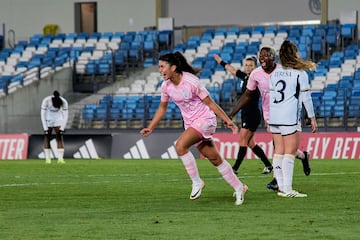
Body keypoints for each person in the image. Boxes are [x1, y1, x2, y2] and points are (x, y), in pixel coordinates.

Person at [140, 52, 248, 205]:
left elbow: (210, 103)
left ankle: (197, 182)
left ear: (173, 67)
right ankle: (239, 187)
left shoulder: (191, 81)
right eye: (159, 67)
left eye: (162, 67)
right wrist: (151, 127)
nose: (160, 70)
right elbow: (162, 108)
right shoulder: (166, 86)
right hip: (191, 124)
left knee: (180, 145)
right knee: (215, 159)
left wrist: (227, 120)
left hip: (205, 120)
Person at [228, 46, 311, 191]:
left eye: (265, 55)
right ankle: (302, 157)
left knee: (280, 148)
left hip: (287, 112)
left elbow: (298, 91)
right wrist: (232, 113)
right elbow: (247, 95)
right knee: (281, 148)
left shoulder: (282, 70)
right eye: (260, 55)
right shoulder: (255, 74)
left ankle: (278, 181)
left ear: (273, 57)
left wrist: (305, 113)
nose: (262, 58)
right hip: (270, 115)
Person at [269, 40, 317, 197]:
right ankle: (288, 189)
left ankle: (282, 188)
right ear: (293, 54)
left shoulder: (274, 73)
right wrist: (312, 117)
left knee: (278, 152)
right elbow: (306, 97)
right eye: (296, 51)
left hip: (275, 116)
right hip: (289, 116)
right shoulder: (300, 73)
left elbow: (270, 96)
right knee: (289, 152)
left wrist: (269, 118)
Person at [214, 54, 272, 175]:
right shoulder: (246, 77)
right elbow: (233, 70)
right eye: (246, 65)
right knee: (251, 143)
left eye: (251, 65)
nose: (247, 67)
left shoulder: (256, 79)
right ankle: (268, 165)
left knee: (243, 140)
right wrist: (221, 62)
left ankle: (234, 168)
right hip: (245, 113)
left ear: (256, 67)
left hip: (252, 114)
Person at [40, 90, 68, 164]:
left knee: (59, 137)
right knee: (47, 137)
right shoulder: (46, 101)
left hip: (58, 119)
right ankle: (48, 159)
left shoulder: (64, 102)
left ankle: (60, 159)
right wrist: (45, 128)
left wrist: (62, 128)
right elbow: (42, 115)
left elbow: (65, 115)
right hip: (48, 119)